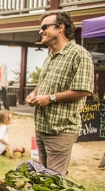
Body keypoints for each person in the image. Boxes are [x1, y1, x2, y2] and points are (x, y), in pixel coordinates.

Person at [25, 11, 94, 176]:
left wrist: (51, 98)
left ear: (60, 28)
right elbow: (44, 82)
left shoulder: (79, 54)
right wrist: (33, 94)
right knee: (43, 177)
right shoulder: (50, 56)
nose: (40, 31)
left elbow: (84, 89)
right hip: (42, 127)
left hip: (61, 129)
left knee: (54, 180)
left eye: (44, 27)